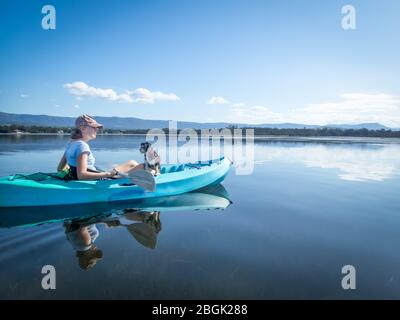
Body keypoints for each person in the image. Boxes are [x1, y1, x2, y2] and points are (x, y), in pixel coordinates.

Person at [57, 114, 144, 180]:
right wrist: (108, 174)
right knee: (143, 166)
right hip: (99, 180)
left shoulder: (71, 143)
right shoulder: (82, 146)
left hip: (94, 174)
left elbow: (60, 169)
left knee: (132, 162)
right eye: (94, 127)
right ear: (83, 128)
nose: (97, 129)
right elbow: (82, 175)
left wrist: (72, 171)